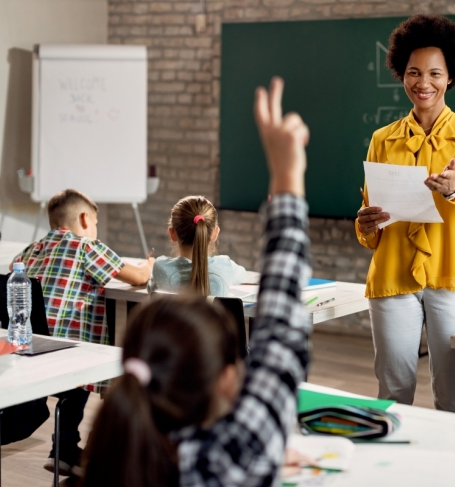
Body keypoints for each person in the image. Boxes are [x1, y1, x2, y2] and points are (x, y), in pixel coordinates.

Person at [82, 76, 312, 487]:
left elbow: (281, 343)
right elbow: (280, 336)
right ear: (228, 379)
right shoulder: (231, 457)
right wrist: (286, 176)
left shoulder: (111, 456)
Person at [355, 14, 455, 412]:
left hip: (452, 273)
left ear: (451, 77)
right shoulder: (383, 139)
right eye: (413, 72)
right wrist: (365, 222)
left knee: (454, 395)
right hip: (394, 271)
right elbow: (370, 219)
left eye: (434, 73)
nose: (423, 83)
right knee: (393, 392)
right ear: (401, 74)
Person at [12, 188, 153, 478]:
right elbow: (138, 278)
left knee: (73, 382)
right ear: (85, 219)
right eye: (97, 223)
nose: (96, 229)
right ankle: (67, 450)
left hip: (31, 350)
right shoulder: (86, 247)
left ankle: (65, 452)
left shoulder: (33, 248)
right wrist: (150, 264)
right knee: (83, 377)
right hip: (68, 354)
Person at [147, 195, 248, 296]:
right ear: (215, 233)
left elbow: (150, 290)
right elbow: (245, 276)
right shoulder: (225, 265)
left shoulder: (160, 267)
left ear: (172, 233)